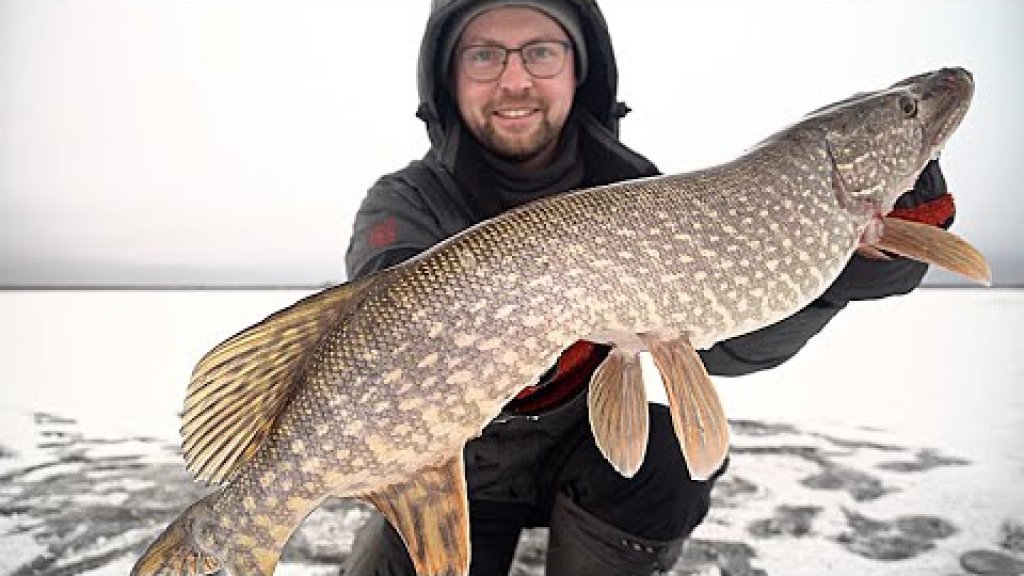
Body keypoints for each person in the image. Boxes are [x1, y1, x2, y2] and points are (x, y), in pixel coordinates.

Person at [341, 1, 955, 574]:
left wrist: (841, 274)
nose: (515, 80)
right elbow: (379, 335)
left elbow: (725, 344)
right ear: (446, 76)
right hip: (447, 461)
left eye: (540, 52)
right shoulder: (407, 201)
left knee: (668, 461)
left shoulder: (634, 186)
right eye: (484, 55)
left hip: (582, 452)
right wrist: (539, 352)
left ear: (580, 66)